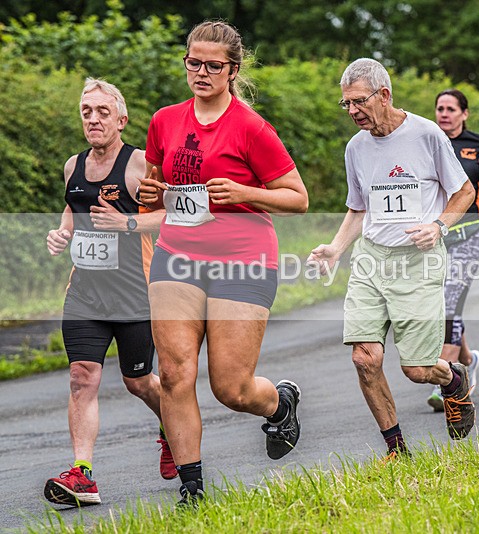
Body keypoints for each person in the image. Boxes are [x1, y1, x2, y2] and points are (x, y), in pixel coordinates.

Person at [138, 21, 308, 505]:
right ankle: (193, 486)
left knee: (230, 388)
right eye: (194, 62)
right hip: (178, 256)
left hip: (243, 258)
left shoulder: (252, 128)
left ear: (232, 70)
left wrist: (243, 192)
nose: (202, 72)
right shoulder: (164, 120)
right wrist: (151, 196)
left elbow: (298, 198)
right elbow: (156, 190)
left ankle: (279, 404)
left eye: (214, 65)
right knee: (173, 373)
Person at [307, 58, 477, 460]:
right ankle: (396, 450)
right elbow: (358, 208)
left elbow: (464, 192)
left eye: (358, 102)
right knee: (364, 359)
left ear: (384, 95)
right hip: (370, 261)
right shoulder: (356, 148)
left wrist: (438, 225)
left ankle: (453, 379)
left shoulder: (427, 134)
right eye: (345, 104)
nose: (351, 111)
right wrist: (336, 247)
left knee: (417, 369)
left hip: (418, 261)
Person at [44, 78, 176, 507]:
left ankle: (173, 431)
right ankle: (82, 475)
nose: (93, 119)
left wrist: (129, 223)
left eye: (102, 111)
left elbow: (174, 215)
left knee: (139, 381)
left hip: (135, 294)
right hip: (85, 293)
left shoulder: (140, 165)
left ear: (121, 119)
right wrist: (62, 233)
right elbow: (72, 207)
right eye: (87, 111)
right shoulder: (72, 165)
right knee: (82, 376)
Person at [426, 89, 479, 412]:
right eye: (439, 108)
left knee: (449, 300)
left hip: (470, 233)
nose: (444, 114)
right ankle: (468, 360)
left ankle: (444, 379)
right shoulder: (427, 141)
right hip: (436, 235)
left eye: (450, 109)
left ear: (464, 114)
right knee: (445, 301)